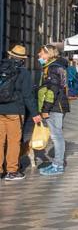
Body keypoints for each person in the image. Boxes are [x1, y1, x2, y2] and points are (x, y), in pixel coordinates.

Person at [0, 44, 40, 180]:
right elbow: (28, 95)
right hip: (15, 111)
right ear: (22, 59)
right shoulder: (23, 72)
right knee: (13, 141)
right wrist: (35, 114)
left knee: (0, 141)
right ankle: (12, 171)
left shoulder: (1, 68)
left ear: (10, 55)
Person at [36, 45, 70, 176]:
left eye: (40, 53)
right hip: (57, 105)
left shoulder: (53, 67)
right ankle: (57, 163)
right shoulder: (56, 66)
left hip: (55, 107)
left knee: (57, 137)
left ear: (48, 54)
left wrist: (45, 109)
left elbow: (53, 90)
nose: (39, 56)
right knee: (56, 136)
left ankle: (58, 165)